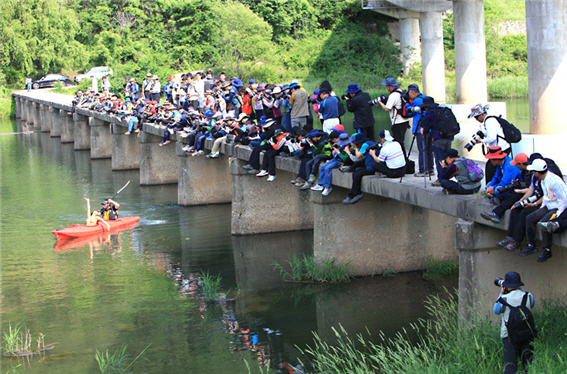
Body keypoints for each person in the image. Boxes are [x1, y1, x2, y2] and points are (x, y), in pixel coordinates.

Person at [521, 158, 567, 262]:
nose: (532, 173)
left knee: (544, 223)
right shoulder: (542, 180)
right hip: (548, 205)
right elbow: (546, 196)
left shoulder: (555, 181)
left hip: (557, 207)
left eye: (533, 171)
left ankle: (546, 249)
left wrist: (559, 215)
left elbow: (563, 200)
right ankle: (531, 245)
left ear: (537, 172)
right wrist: (541, 208)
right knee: (529, 218)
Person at [493, 271, 535, 374]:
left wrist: (501, 292)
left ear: (506, 285)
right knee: (529, 366)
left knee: (510, 366)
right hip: (526, 335)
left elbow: (496, 310)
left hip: (509, 336)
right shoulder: (528, 296)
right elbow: (532, 304)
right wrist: (520, 290)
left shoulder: (504, 298)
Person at [480, 153, 531, 223]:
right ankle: (496, 210)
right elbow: (526, 184)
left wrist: (519, 191)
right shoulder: (523, 171)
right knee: (493, 187)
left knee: (512, 194)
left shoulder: (530, 171)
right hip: (523, 191)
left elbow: (532, 188)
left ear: (521, 164)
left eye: (517, 164)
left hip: (530, 194)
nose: (515, 166)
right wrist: (518, 184)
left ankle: (496, 212)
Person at [468, 103, 511, 183]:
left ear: (483, 114)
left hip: (501, 148)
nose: (476, 119)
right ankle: (493, 187)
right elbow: (493, 134)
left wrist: (481, 141)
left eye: (477, 117)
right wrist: (482, 134)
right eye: (475, 117)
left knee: (490, 168)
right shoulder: (490, 120)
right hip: (502, 148)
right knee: (496, 168)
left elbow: (492, 138)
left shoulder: (489, 121)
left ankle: (490, 188)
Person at [420, 96, 453, 187]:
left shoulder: (429, 113)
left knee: (440, 159)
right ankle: (447, 177)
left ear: (426, 106)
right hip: (449, 137)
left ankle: (441, 179)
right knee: (447, 159)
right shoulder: (442, 110)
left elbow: (426, 128)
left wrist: (424, 130)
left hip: (438, 138)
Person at [377, 77, 409, 158]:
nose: (386, 88)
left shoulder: (393, 95)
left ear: (390, 86)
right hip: (405, 121)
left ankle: (403, 160)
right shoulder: (401, 91)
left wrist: (380, 102)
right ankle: (404, 160)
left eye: (386, 86)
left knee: (398, 143)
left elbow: (387, 108)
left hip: (397, 122)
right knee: (400, 142)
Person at [404, 84, 432, 177]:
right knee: (429, 149)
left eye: (409, 93)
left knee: (422, 149)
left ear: (412, 92)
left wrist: (406, 103)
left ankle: (423, 170)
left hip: (420, 128)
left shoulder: (416, 100)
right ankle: (430, 169)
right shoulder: (426, 98)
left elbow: (409, 111)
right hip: (429, 128)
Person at [342, 133, 376, 205]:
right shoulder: (370, 143)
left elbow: (357, 157)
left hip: (371, 167)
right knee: (357, 166)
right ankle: (349, 169)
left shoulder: (365, 145)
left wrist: (355, 148)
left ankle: (354, 194)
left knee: (356, 174)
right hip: (372, 163)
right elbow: (362, 156)